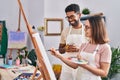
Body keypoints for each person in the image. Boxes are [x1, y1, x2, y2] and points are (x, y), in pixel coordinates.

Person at [50, 15, 112, 80]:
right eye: (85, 26)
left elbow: (104, 73)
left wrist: (84, 65)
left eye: (87, 27)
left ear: (96, 28)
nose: (84, 29)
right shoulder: (84, 45)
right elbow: (75, 65)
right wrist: (58, 55)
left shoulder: (105, 48)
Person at [58, 4, 87, 80]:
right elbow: (60, 50)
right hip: (67, 67)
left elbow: (94, 50)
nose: (70, 19)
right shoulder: (65, 31)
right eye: (68, 17)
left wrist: (80, 49)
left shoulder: (87, 30)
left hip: (82, 66)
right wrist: (65, 49)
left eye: (72, 16)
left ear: (79, 15)